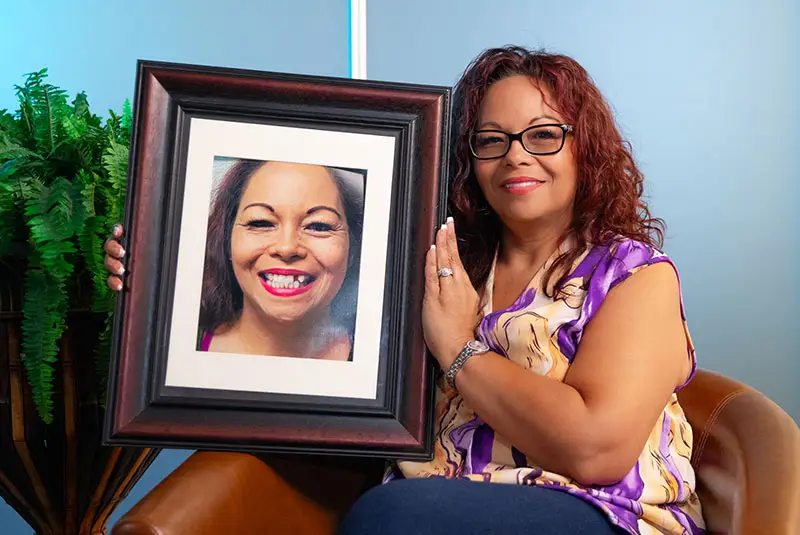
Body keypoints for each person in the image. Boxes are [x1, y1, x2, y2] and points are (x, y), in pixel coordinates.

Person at [105, 46, 705, 534]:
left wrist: (460, 349)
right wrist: (157, 277)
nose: (516, 156)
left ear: (585, 149)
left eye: (543, 135)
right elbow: (307, 362)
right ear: (469, 160)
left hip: (599, 515)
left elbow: (596, 453)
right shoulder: (436, 264)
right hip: (434, 505)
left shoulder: (635, 275)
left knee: (394, 515)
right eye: (490, 140)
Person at [106, 159, 365, 361]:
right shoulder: (171, 341)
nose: (286, 248)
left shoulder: (385, 360)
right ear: (226, 239)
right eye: (261, 222)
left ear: (353, 247)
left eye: (318, 226)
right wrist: (133, 270)